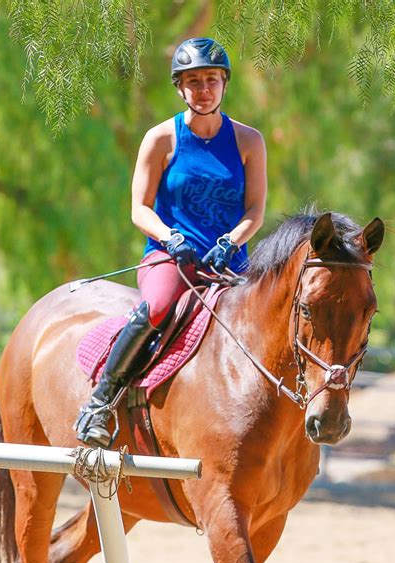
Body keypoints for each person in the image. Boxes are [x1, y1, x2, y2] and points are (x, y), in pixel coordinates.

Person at [75, 37, 267, 447]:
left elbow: (255, 211)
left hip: (228, 265)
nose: (204, 89)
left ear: (224, 84)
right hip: (171, 259)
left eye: (212, 80)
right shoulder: (161, 139)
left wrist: (231, 242)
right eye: (193, 81)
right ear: (179, 87)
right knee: (159, 306)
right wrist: (170, 236)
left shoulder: (250, 141)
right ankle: (101, 400)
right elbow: (139, 209)